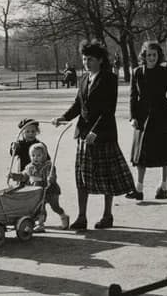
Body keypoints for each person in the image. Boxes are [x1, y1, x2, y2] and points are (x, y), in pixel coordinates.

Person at [52, 40, 135, 230]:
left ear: (99, 60)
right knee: (82, 177)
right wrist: (63, 117)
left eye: (90, 59)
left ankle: (107, 216)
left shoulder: (109, 79)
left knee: (107, 177)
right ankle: (82, 217)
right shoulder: (83, 79)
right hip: (83, 135)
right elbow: (78, 106)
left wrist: (95, 131)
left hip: (103, 135)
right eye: (84, 59)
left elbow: (108, 111)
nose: (86, 62)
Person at [126, 41, 167, 201]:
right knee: (140, 155)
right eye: (148, 55)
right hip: (143, 117)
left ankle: (163, 186)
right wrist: (133, 117)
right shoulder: (137, 72)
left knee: (165, 152)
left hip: (163, 115)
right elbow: (132, 97)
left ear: (159, 56)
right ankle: (139, 188)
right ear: (144, 56)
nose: (151, 58)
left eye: (154, 55)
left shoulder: (165, 72)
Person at [12, 143, 70, 231]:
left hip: (49, 190)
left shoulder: (48, 166)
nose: (35, 157)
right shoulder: (29, 167)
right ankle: (40, 223)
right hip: (36, 190)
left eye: (39, 155)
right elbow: (23, 176)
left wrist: (50, 178)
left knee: (55, 206)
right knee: (39, 207)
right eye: (33, 155)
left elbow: (52, 176)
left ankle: (64, 216)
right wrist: (14, 176)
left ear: (44, 155)